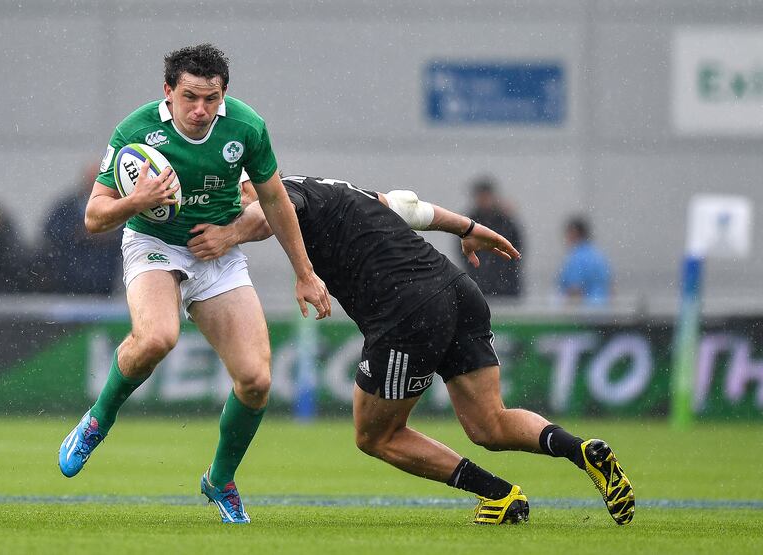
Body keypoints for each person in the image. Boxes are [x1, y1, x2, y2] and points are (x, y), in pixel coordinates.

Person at [202, 173, 634, 526]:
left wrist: (226, 235)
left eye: (235, 198)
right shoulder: (330, 188)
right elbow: (411, 207)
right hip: (458, 290)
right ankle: (581, 450)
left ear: (250, 184)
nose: (233, 207)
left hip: (407, 310)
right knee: (489, 424)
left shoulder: (280, 193)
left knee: (375, 435)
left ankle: (498, 493)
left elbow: (267, 212)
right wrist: (470, 228)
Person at [57, 44, 331, 525]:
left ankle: (220, 480)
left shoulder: (245, 127)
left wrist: (302, 272)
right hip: (154, 244)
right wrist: (137, 200)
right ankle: (99, 418)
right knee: (157, 337)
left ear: (224, 94)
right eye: (190, 97)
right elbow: (94, 217)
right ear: (168, 91)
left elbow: (276, 203)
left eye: (211, 98)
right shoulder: (136, 131)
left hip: (218, 254)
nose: (201, 109)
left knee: (256, 380)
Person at [35, 163, 122, 295]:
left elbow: (129, 234)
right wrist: (79, 234)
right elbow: (51, 233)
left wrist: (108, 235)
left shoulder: (119, 206)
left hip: (108, 284)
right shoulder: (67, 207)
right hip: (68, 282)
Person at [459, 176, 523, 297]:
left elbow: (518, 249)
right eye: (481, 197)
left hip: (507, 286)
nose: (484, 201)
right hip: (479, 286)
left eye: (486, 197)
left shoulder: (506, 222)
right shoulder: (467, 223)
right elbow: (462, 251)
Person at [557, 216, 612, 306]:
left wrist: (568, 309)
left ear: (574, 233)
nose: (566, 238)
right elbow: (610, 287)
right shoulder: (599, 255)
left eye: (568, 234)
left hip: (585, 310)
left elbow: (575, 290)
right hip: (603, 308)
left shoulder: (577, 258)